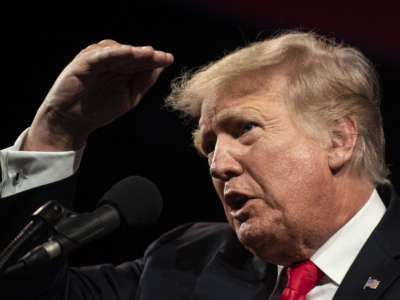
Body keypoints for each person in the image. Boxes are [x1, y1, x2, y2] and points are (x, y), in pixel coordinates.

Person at [0, 32, 399, 299]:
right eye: (209, 145)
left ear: (339, 140)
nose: (218, 165)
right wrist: (57, 132)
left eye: (245, 128)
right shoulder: (184, 260)